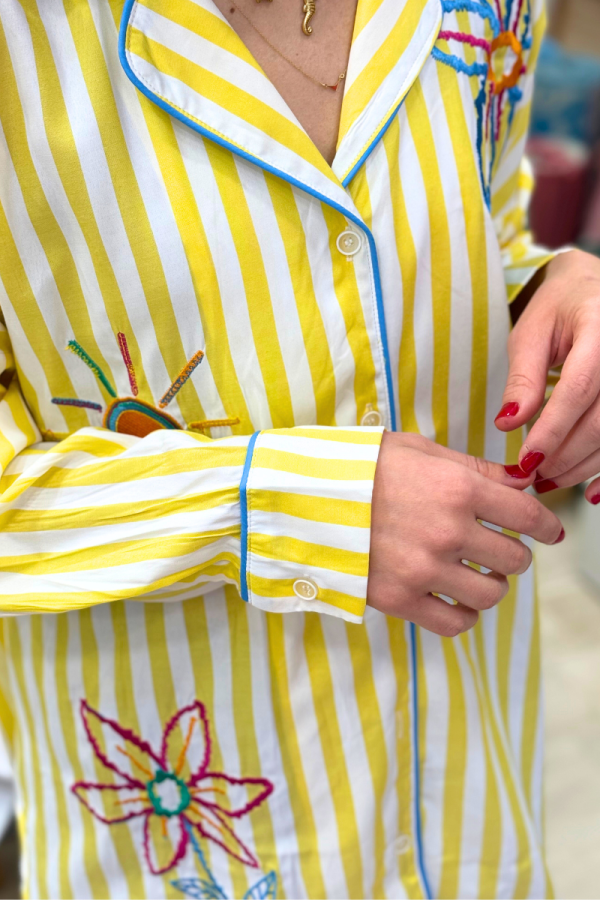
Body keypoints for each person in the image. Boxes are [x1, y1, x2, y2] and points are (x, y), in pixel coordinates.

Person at [1, 0, 600, 897]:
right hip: (179, 841)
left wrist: (556, 294)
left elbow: (487, 228)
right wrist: (286, 507)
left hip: (473, 810)